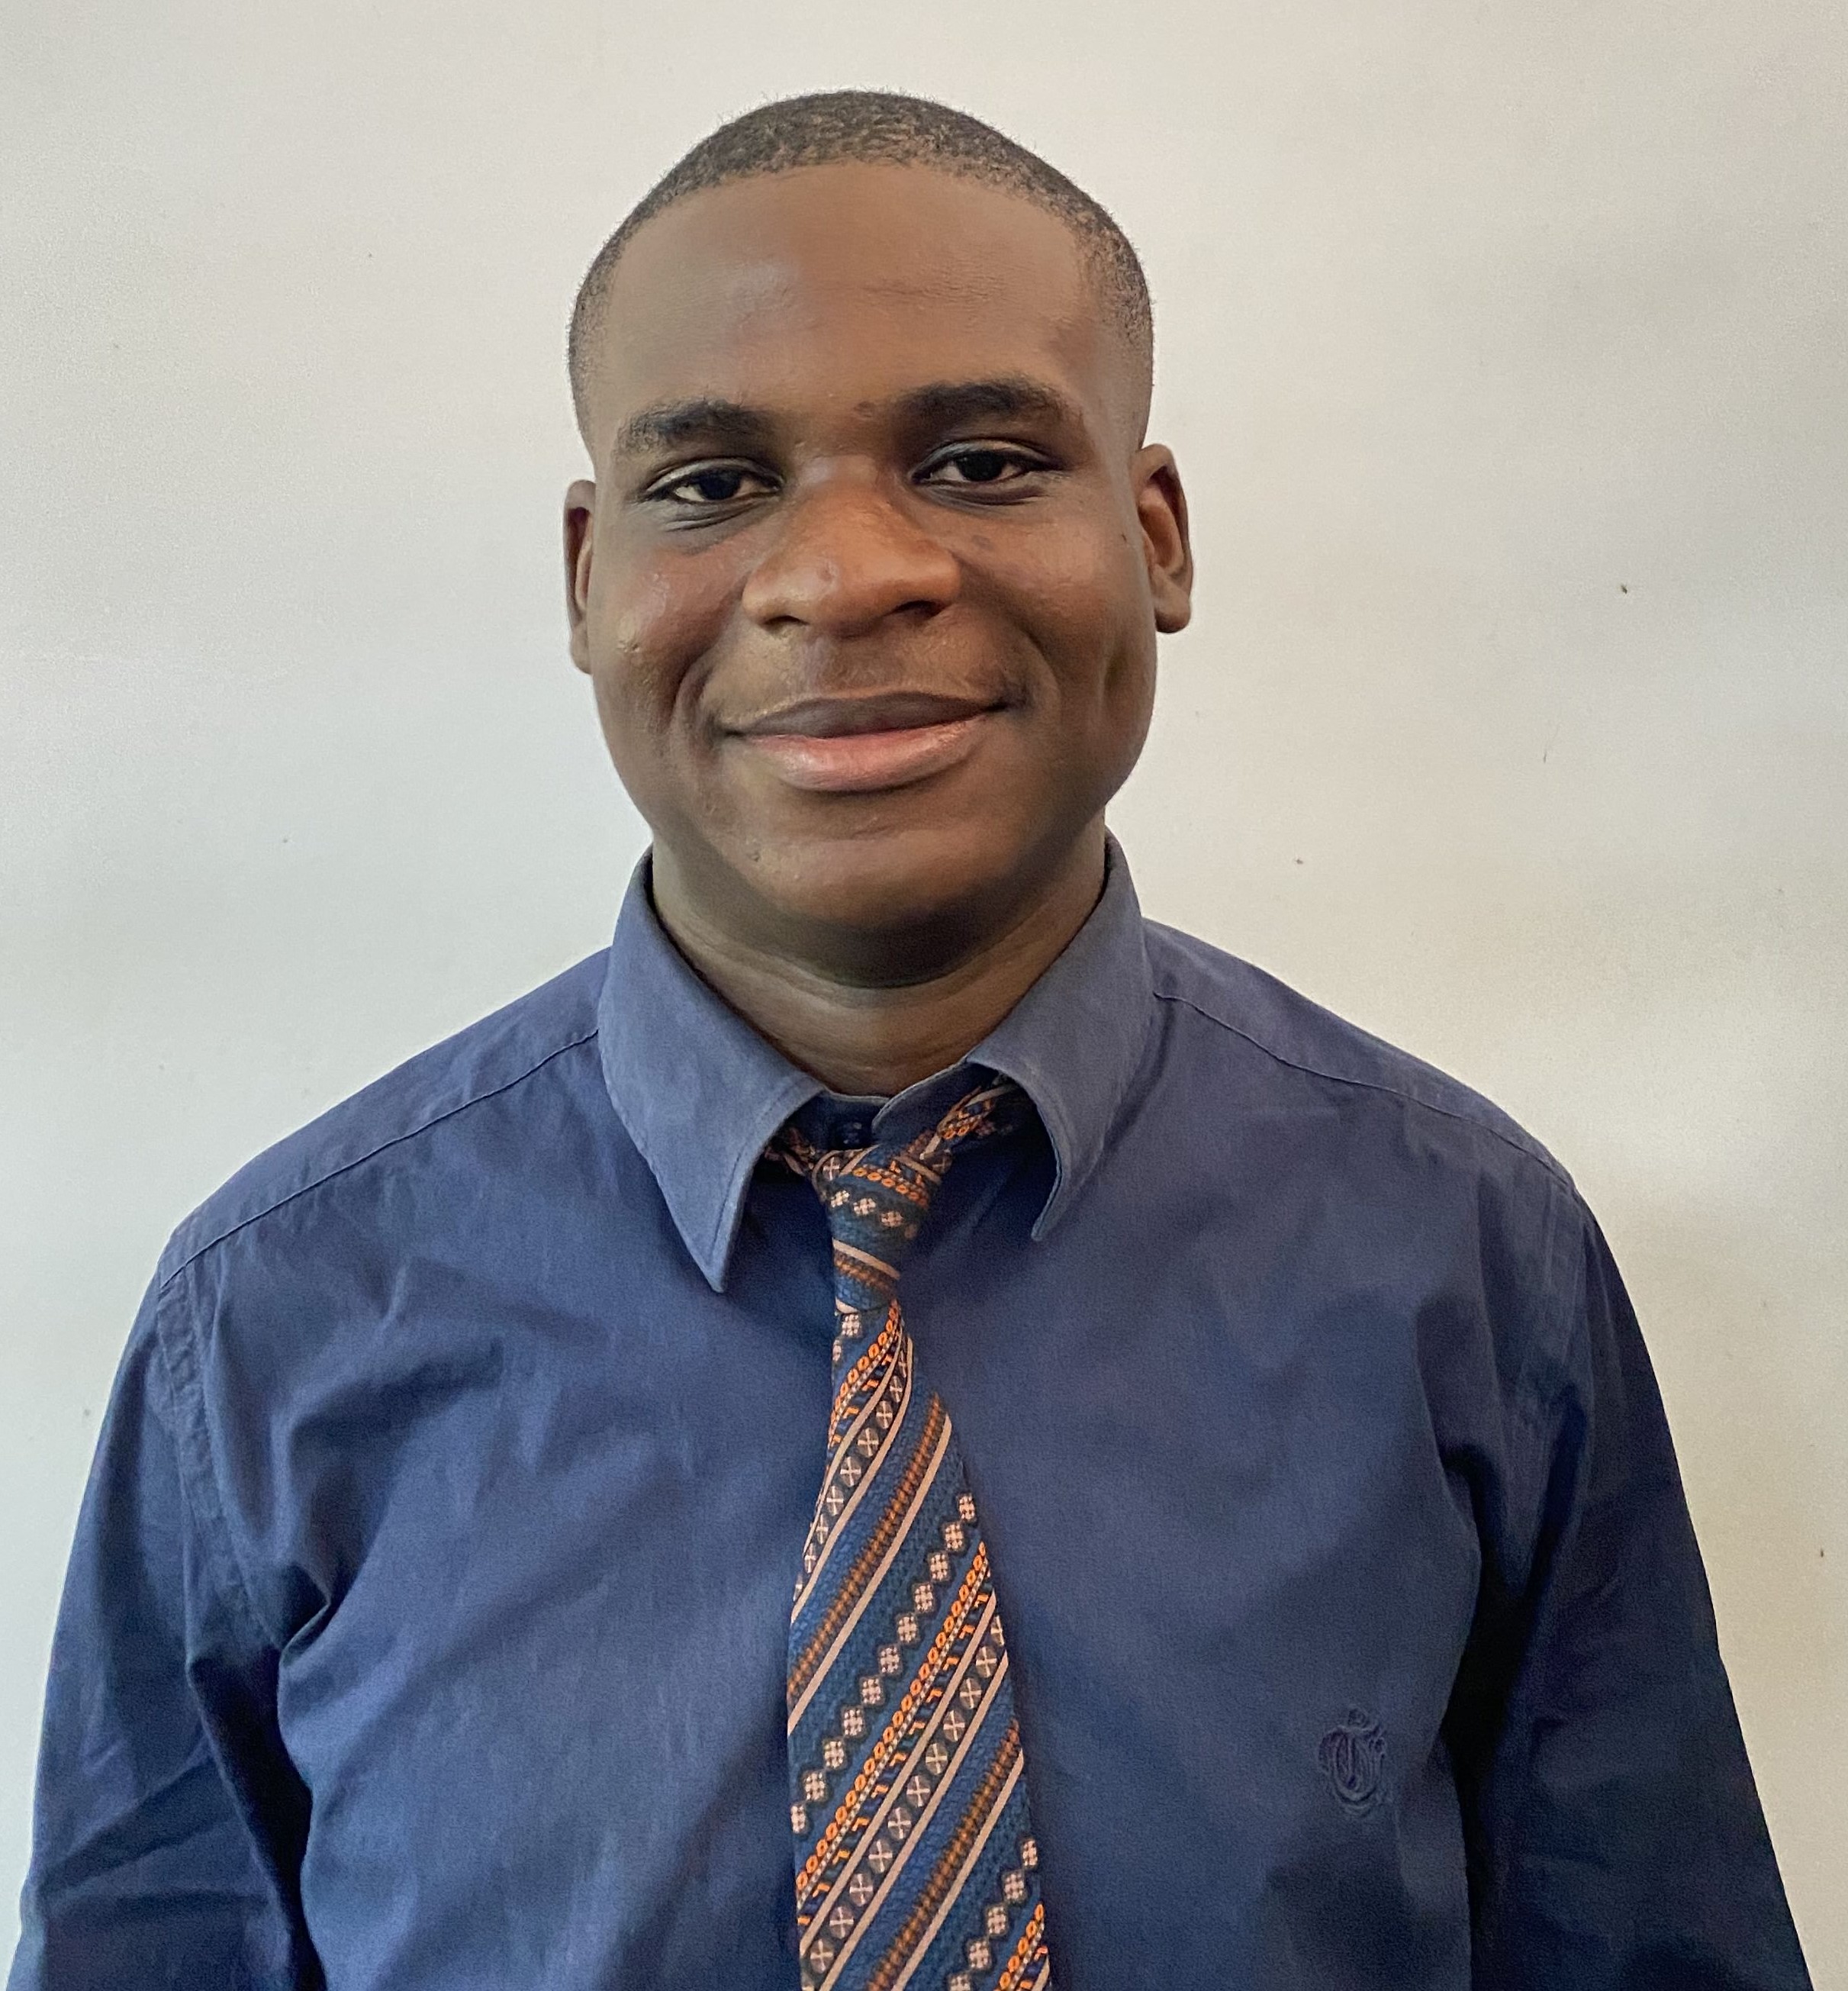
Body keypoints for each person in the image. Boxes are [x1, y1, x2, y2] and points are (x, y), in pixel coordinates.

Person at [9, 90, 1811, 1991]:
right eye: (713, 484)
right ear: (585, 576)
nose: (847, 572)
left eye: (977, 462)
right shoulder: (273, 1324)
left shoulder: (1465, 1257)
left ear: (1154, 536)